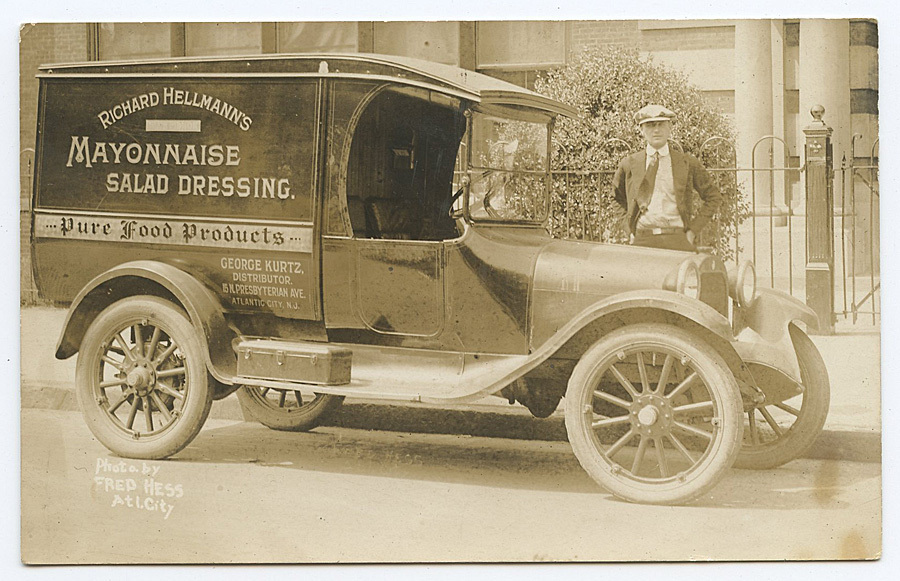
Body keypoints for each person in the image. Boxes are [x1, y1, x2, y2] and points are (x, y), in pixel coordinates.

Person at [613, 104, 721, 252]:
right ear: (641, 130)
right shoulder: (630, 163)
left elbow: (713, 196)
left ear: (670, 127)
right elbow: (615, 198)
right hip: (642, 239)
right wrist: (628, 229)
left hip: (677, 239)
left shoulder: (686, 163)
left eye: (661, 124)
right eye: (650, 125)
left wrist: (692, 231)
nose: (656, 130)